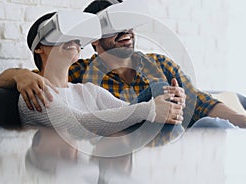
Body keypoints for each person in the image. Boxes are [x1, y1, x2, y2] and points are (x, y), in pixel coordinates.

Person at [0, 0, 246, 130]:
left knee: (211, 125)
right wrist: (19, 75)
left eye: (129, 25)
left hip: (173, 142)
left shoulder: (159, 64)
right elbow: (41, 81)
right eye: (115, 28)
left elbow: (204, 104)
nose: (126, 33)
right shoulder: (79, 73)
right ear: (95, 42)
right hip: (127, 149)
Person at [18, 11, 184, 139]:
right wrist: (150, 109)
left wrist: (166, 103)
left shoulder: (88, 90)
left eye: (75, 36)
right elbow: (78, 124)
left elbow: (128, 112)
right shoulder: (35, 93)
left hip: (103, 167)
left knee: (162, 92)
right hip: (65, 174)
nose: (73, 40)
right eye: (61, 34)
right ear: (39, 47)